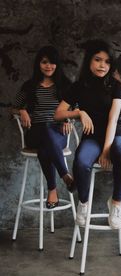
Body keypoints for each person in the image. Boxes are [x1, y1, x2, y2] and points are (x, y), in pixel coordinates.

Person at [54, 39, 121, 229]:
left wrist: (106, 151)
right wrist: (79, 112)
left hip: (116, 135)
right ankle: (84, 203)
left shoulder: (116, 85)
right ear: (89, 61)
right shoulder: (79, 86)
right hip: (92, 137)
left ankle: (116, 203)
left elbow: (113, 120)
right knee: (81, 162)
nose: (102, 65)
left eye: (106, 61)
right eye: (97, 60)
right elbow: (58, 113)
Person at [13, 46, 74, 209]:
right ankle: (65, 175)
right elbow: (14, 107)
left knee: (45, 147)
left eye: (52, 63)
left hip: (59, 133)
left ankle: (52, 189)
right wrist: (22, 110)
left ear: (57, 65)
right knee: (45, 132)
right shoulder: (30, 85)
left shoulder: (65, 85)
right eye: (44, 62)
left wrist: (67, 118)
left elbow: (76, 109)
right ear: (38, 64)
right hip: (35, 132)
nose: (49, 66)